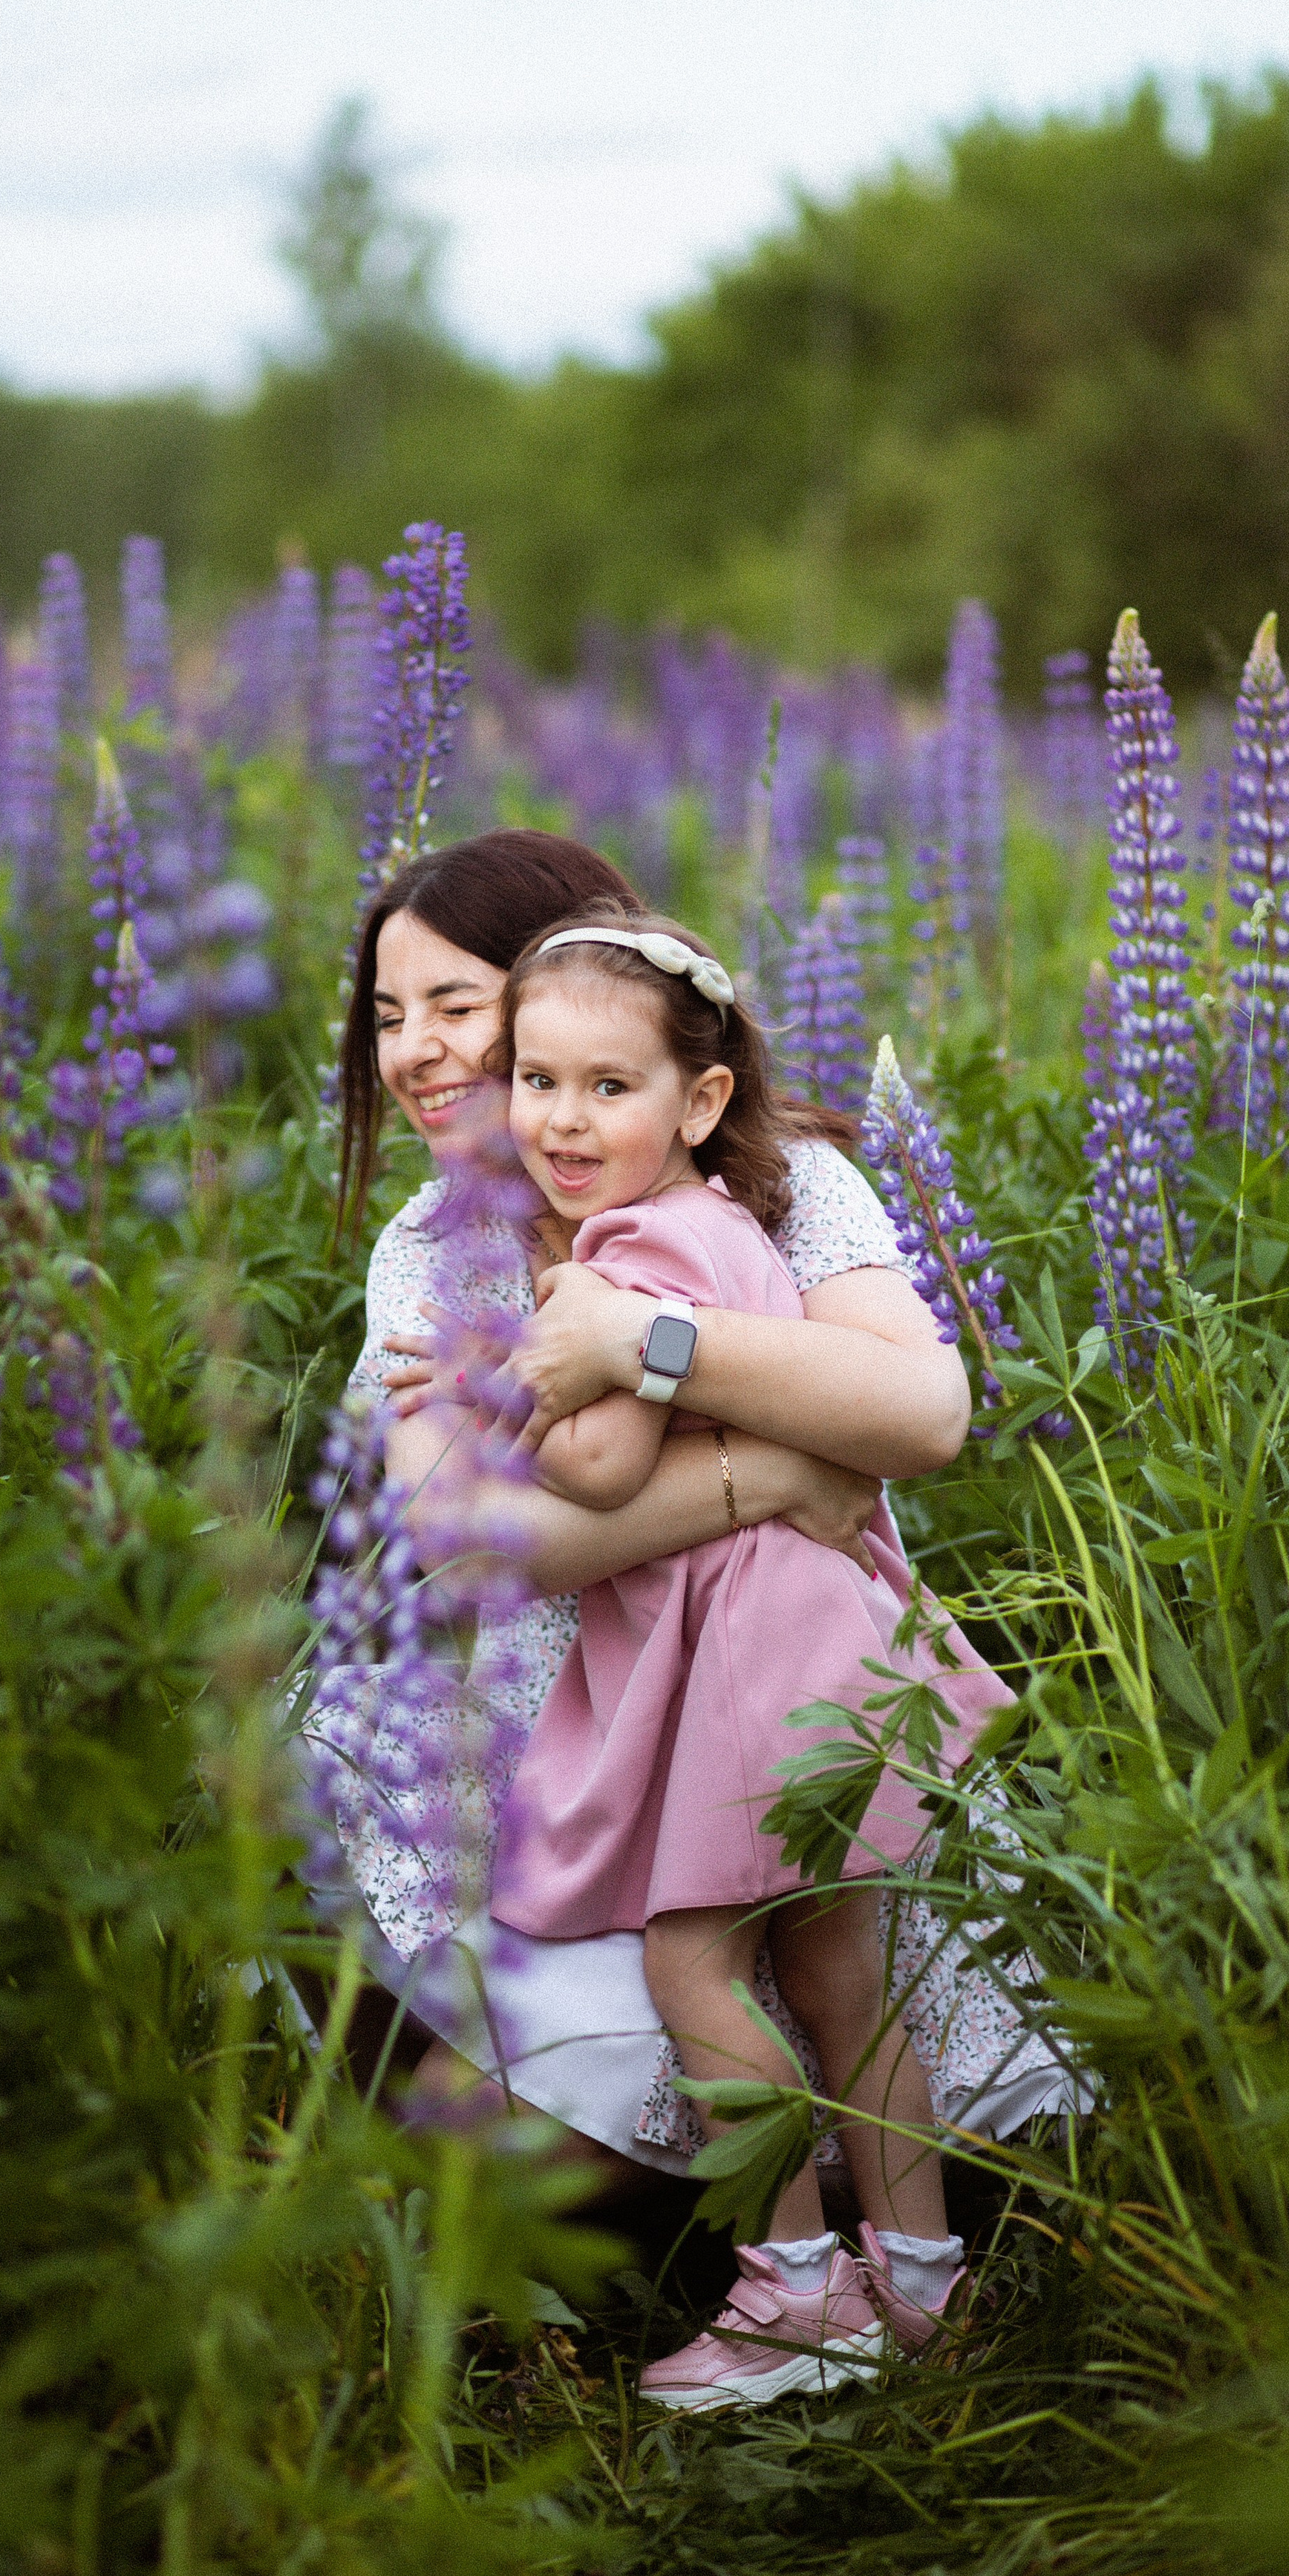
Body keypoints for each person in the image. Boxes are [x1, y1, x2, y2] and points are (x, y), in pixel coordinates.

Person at [304, 829, 1074, 2243]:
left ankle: (852, 2262)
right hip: (574, 1760)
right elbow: (473, 1549)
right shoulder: (432, 1247)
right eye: (386, 1013)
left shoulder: (779, 1181)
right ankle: (774, 2252)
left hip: (786, 1704)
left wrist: (633, 1337)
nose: (412, 1051)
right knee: (518, 2122)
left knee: (835, 1985)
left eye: (455, 1007)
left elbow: (918, 1412)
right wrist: (771, 1474)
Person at [487, 910, 1014, 2404]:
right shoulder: (730, 1222)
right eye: (536, 1081)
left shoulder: (622, 1252)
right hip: (822, 1623)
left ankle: (792, 2291)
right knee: (843, 1963)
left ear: (698, 1101)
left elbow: (591, 1471)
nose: (562, 1119)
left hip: (741, 1645)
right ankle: (920, 2284)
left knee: (691, 1961)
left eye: (606, 1086)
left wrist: (522, 1362)